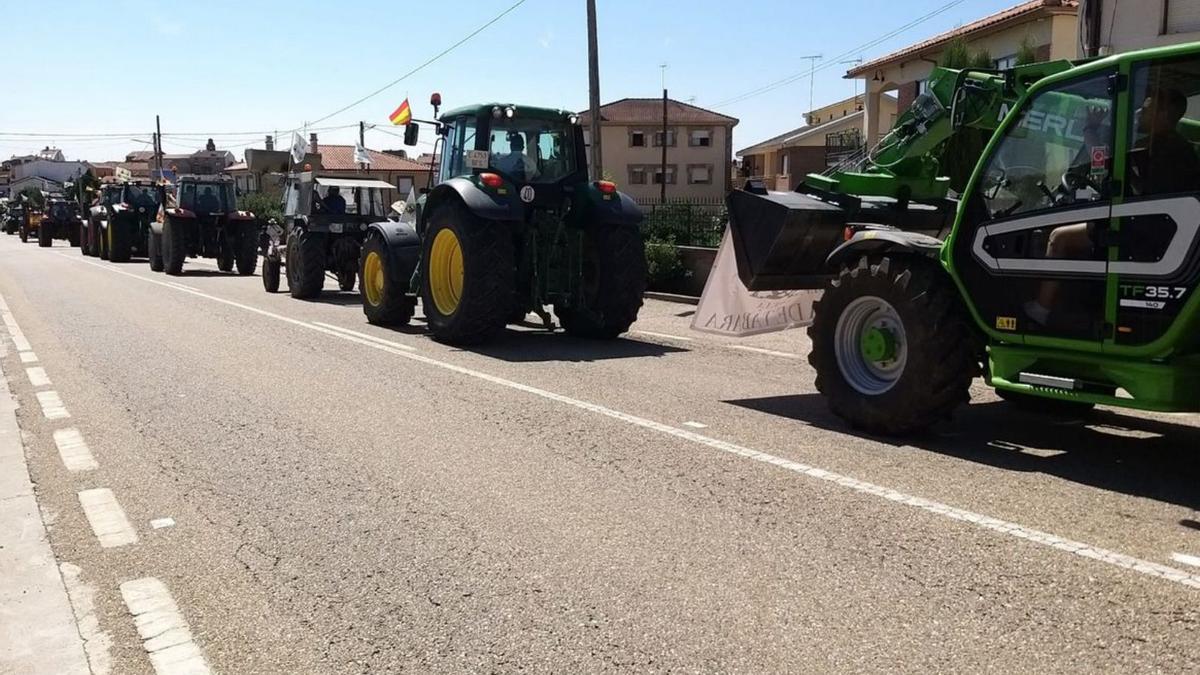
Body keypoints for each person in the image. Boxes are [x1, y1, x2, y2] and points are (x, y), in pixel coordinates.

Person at [1025, 87, 1200, 325]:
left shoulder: (1154, 147)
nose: (1141, 111)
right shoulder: (1179, 147)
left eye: (1148, 106)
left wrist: (1090, 128)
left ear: (1164, 114)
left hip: (1142, 231)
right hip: (1158, 227)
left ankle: (1040, 309)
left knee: (1058, 237)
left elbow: (1104, 162)